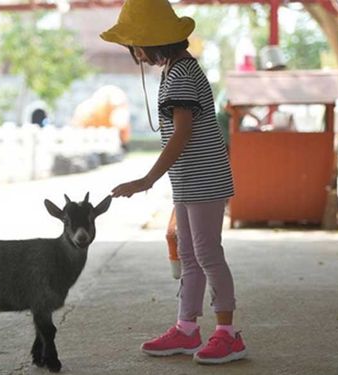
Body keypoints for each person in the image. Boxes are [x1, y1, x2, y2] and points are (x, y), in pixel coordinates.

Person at [100, 0, 247, 364]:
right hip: (189, 180)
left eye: (135, 45)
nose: (135, 53)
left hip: (205, 180)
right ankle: (186, 329)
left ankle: (228, 335)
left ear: (151, 42)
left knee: (208, 254)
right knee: (188, 255)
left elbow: (181, 133)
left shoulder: (182, 74)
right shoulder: (175, 70)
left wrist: (147, 179)